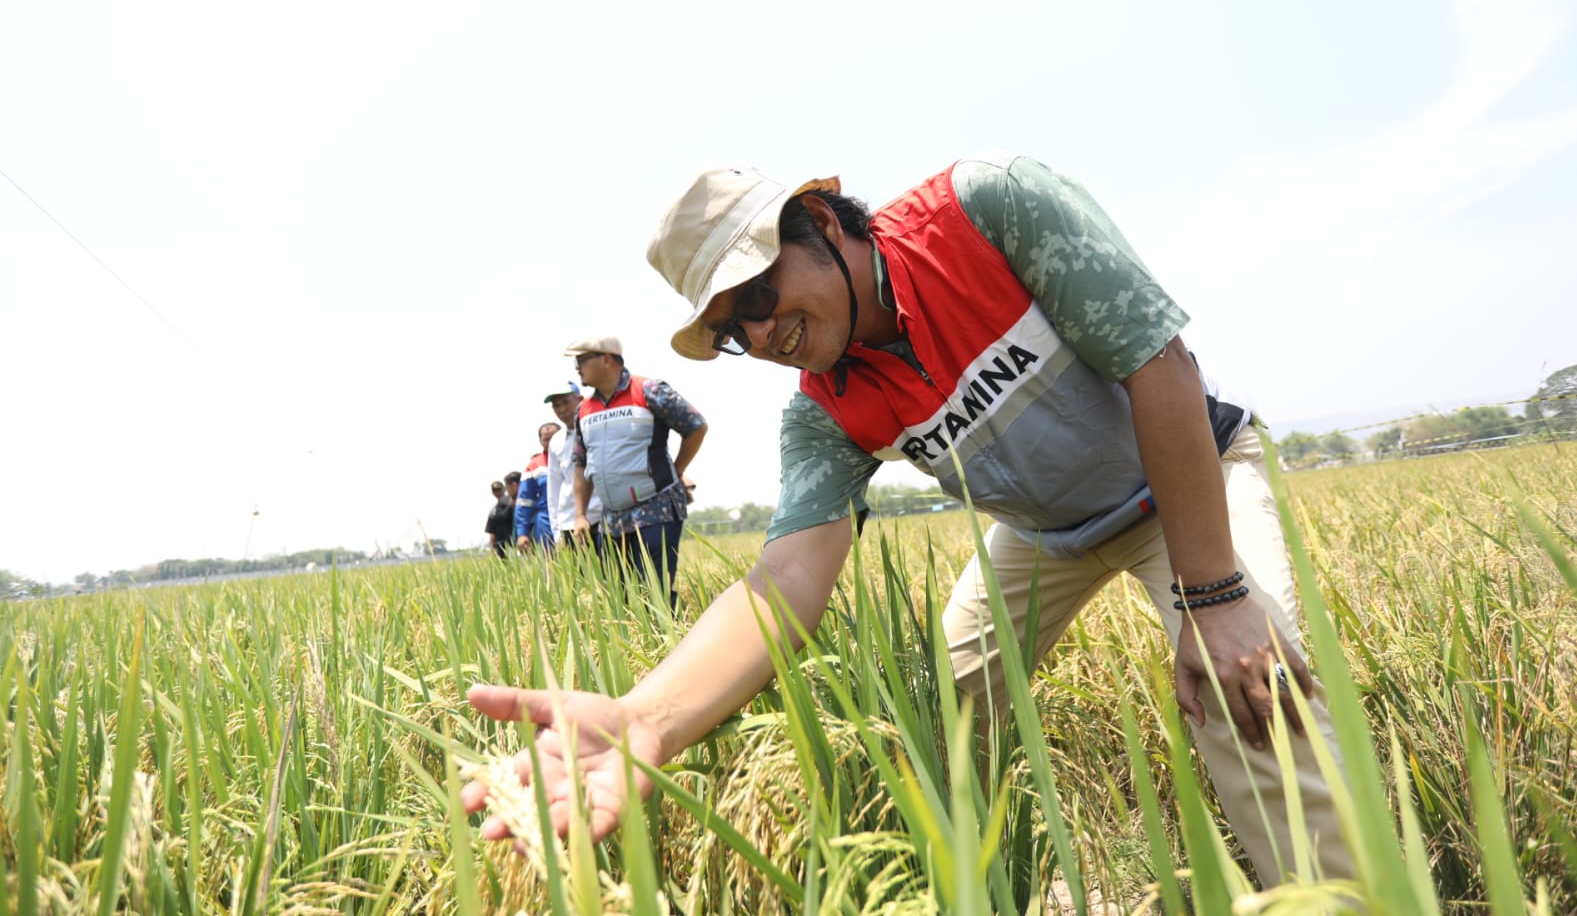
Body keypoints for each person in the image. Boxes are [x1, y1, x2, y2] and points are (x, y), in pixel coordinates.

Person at [461, 156, 1353, 886]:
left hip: (1185, 478)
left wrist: (1214, 591)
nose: (765, 336)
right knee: (947, 702)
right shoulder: (824, 408)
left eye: (758, 294)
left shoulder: (988, 211)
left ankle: (1338, 896)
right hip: (1044, 533)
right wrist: (645, 717)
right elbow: (784, 582)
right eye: (735, 330)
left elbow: (1159, 368)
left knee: (1255, 696)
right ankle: (1000, 872)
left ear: (818, 219)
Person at [566, 336, 707, 607]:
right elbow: (581, 463)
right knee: (619, 596)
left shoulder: (649, 391)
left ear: (607, 359)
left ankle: (671, 644)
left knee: (656, 592)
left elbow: (696, 426)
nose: (577, 367)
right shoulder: (583, 409)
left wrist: (677, 470)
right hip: (612, 520)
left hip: (657, 509)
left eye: (582, 360)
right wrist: (580, 514)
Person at [542, 381, 603, 550]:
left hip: (600, 517)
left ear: (580, 399)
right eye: (556, 406)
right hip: (570, 523)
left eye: (566, 402)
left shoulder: (596, 428)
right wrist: (556, 532)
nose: (562, 410)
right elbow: (553, 489)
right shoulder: (556, 441)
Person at [515, 424, 560, 553]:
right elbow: (524, 501)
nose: (551, 442)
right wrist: (522, 533)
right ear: (540, 441)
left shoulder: (575, 455)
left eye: (554, 438)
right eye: (546, 439)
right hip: (546, 523)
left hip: (574, 517)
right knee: (551, 564)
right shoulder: (534, 465)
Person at [483, 479, 513, 559]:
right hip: (500, 545)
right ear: (493, 493)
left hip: (513, 542)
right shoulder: (493, 510)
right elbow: (492, 531)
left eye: (499, 489)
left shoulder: (513, 502)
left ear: (504, 489)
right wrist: (492, 548)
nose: (498, 492)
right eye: (495, 490)